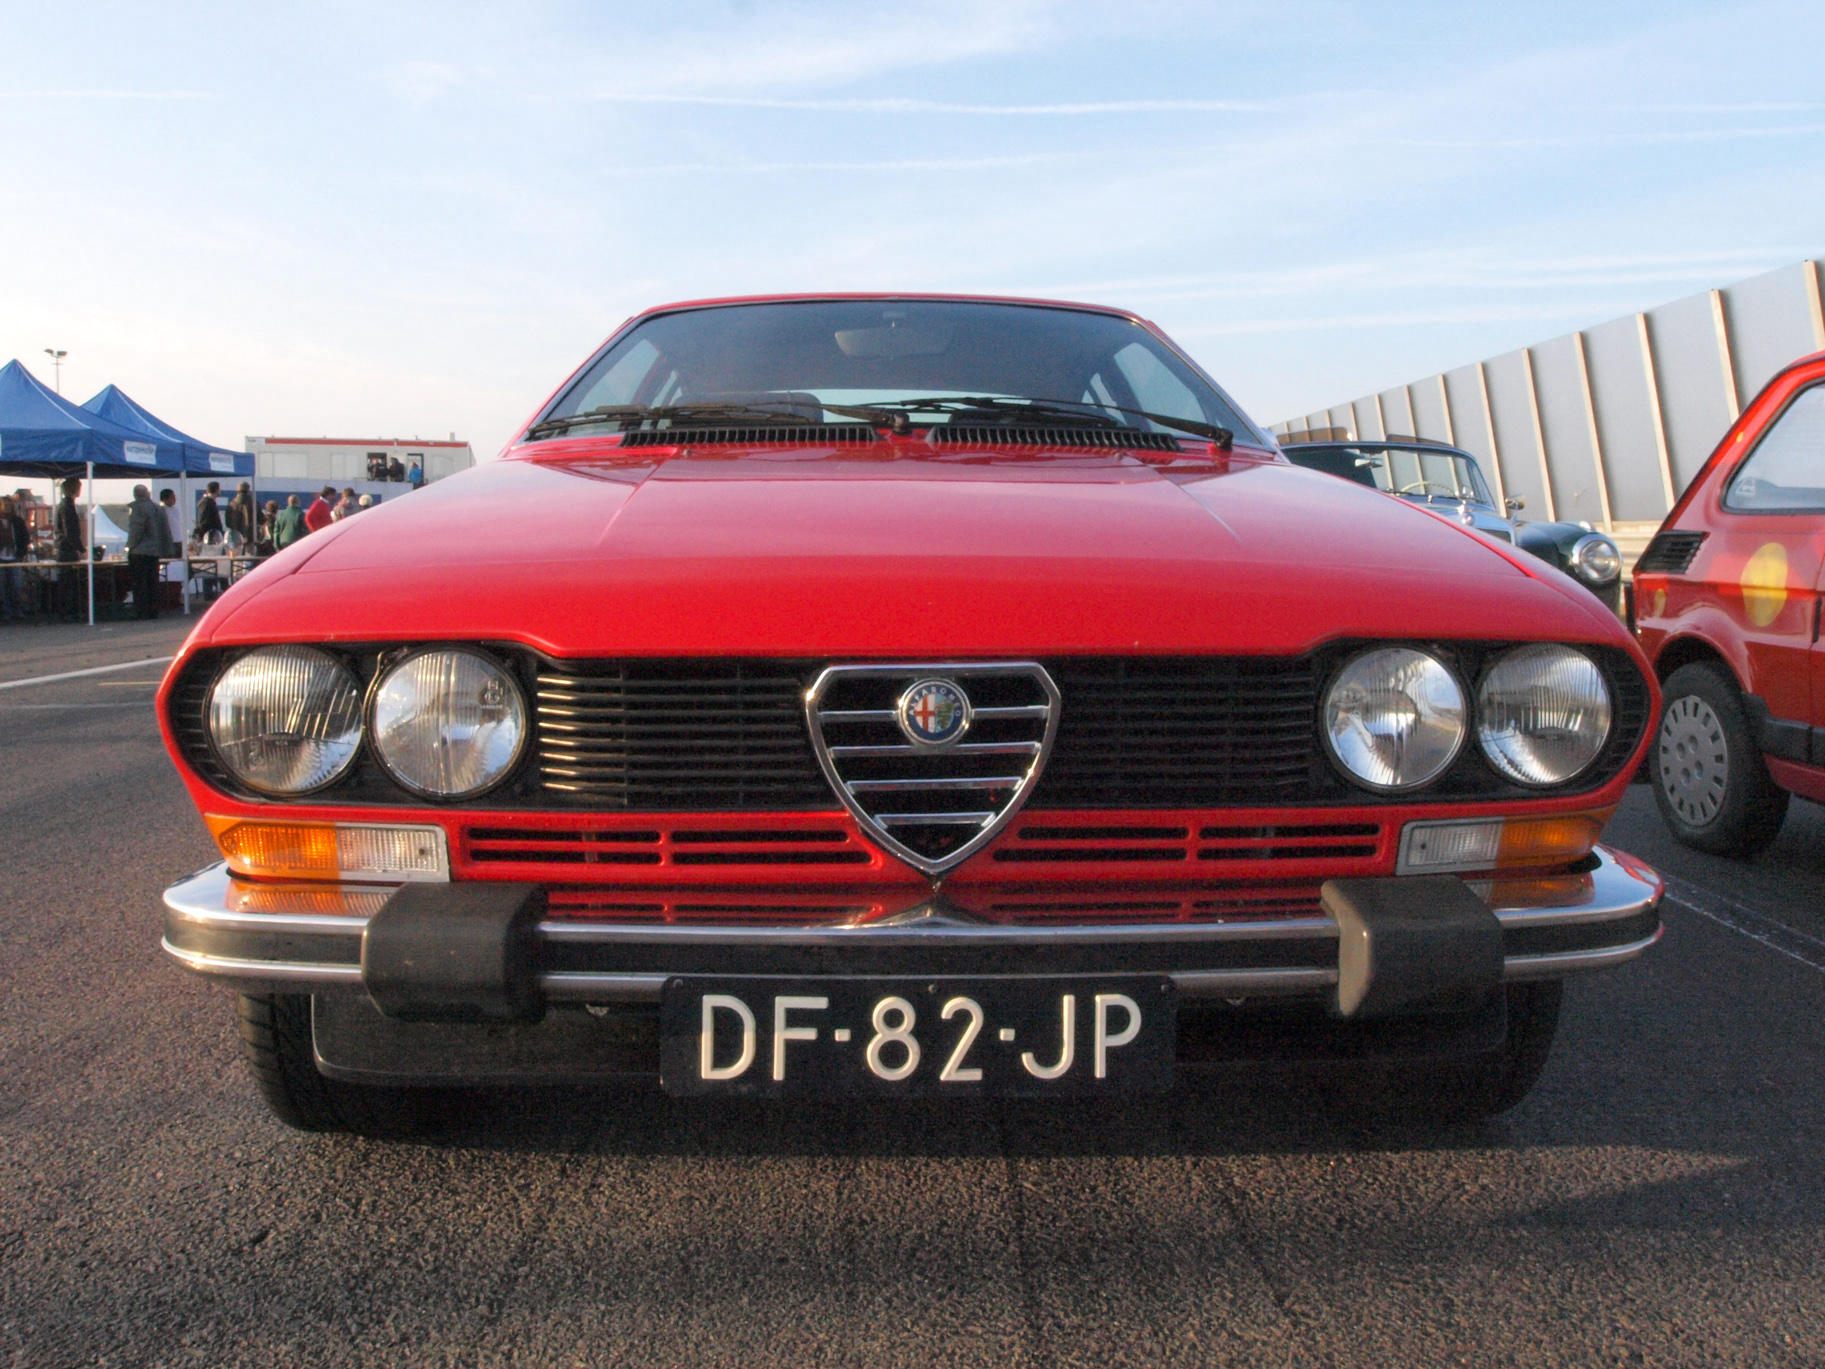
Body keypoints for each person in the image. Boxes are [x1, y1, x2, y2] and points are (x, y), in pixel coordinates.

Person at [125, 484, 165, 619]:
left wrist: (130, 546)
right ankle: (153, 610)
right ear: (147, 493)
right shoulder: (157, 508)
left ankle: (141, 611)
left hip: (139, 551)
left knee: (139, 583)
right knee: (152, 582)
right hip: (154, 551)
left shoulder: (137, 508)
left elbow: (136, 530)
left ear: (135, 495)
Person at [54, 476, 85, 620]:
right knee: (69, 583)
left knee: (66, 583)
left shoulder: (63, 505)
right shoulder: (68, 506)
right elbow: (70, 532)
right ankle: (68, 612)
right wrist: (81, 549)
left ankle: (66, 611)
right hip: (67, 550)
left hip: (64, 548)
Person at [0, 495, 24, 621]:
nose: (7, 507)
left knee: (17, 585)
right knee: (2, 587)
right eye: (5, 505)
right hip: (1, 559)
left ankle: (18, 610)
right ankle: (6, 612)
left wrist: (21, 553)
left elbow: (24, 537)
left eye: (9, 505)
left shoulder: (17, 521)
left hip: (14, 557)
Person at [225, 482, 254, 550]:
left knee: (236, 558)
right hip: (250, 538)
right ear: (248, 491)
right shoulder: (253, 504)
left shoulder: (231, 505)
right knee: (249, 558)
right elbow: (261, 519)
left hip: (235, 538)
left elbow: (227, 523)